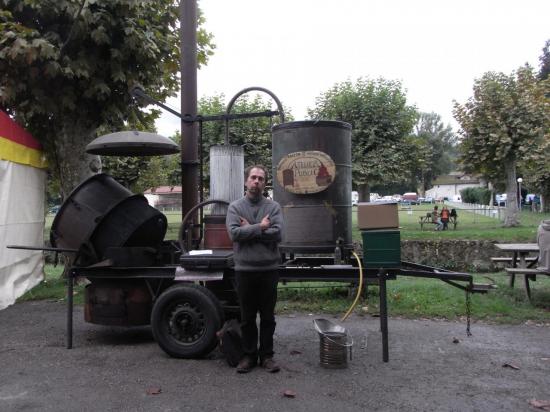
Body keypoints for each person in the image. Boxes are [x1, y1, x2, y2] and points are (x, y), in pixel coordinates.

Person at [226, 165, 284, 373]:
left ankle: (267, 356)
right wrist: (260, 227)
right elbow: (234, 234)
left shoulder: (273, 207)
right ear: (246, 181)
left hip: (269, 269)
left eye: (260, 178)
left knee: (268, 317)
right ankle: (249, 356)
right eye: (253, 177)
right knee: (247, 317)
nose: (256, 181)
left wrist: (248, 228)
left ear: (265, 183)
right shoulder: (235, 207)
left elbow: (278, 235)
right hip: (245, 270)